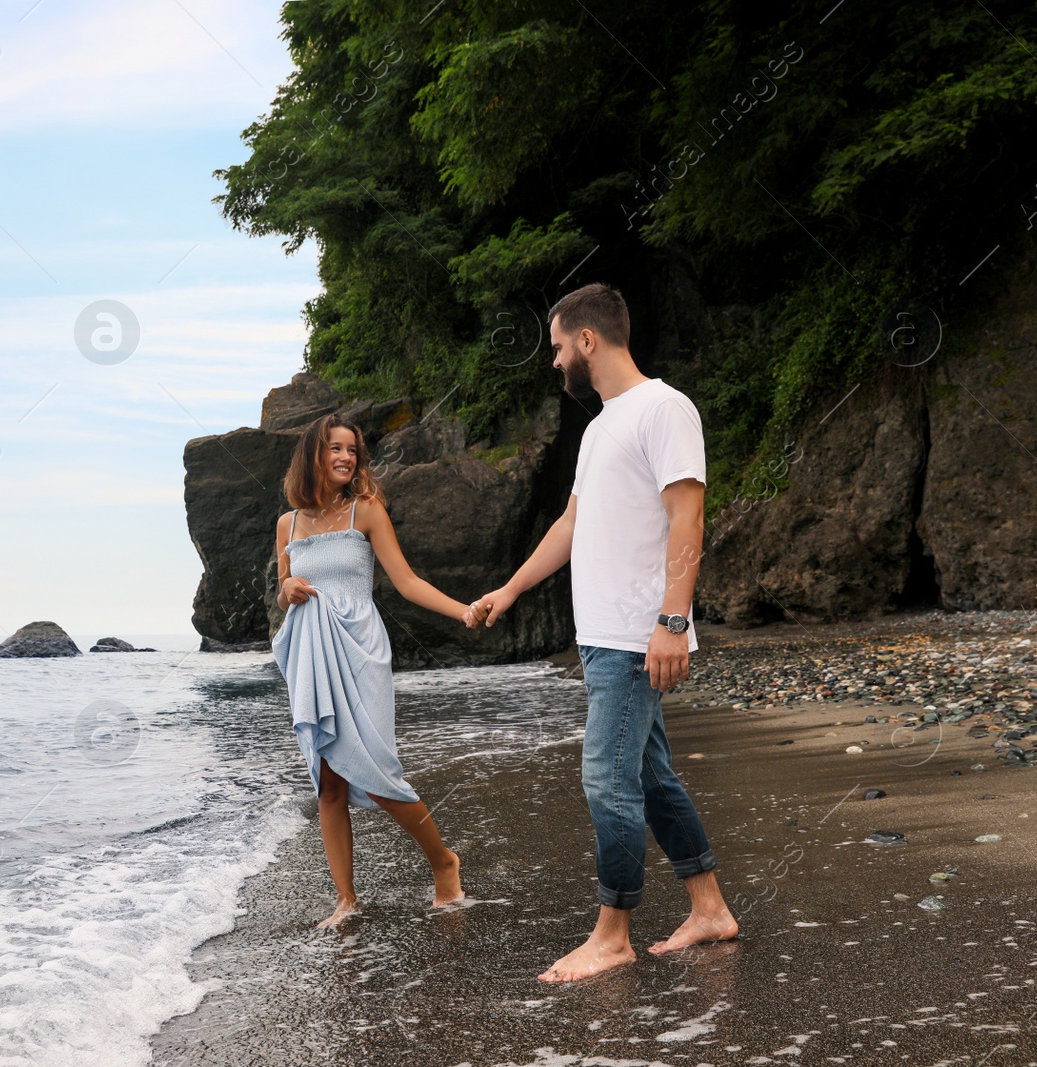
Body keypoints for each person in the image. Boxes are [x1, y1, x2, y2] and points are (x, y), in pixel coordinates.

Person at [472, 282, 738, 981]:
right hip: (605, 637)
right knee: (648, 776)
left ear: (587, 340)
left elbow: (689, 517)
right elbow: (570, 524)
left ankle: (613, 933)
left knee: (606, 778)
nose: (555, 360)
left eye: (559, 347)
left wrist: (672, 621)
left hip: (636, 634)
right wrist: (511, 587)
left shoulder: (664, 408)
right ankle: (708, 908)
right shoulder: (599, 428)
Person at [272, 412, 481, 928]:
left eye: (352, 450)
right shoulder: (288, 524)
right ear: (313, 456)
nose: (346, 457)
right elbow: (283, 592)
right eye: (335, 448)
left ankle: (443, 861)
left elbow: (406, 582)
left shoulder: (365, 511)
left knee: (380, 772)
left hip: (361, 650)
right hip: (313, 656)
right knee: (329, 782)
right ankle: (345, 899)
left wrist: (462, 611)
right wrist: (289, 590)